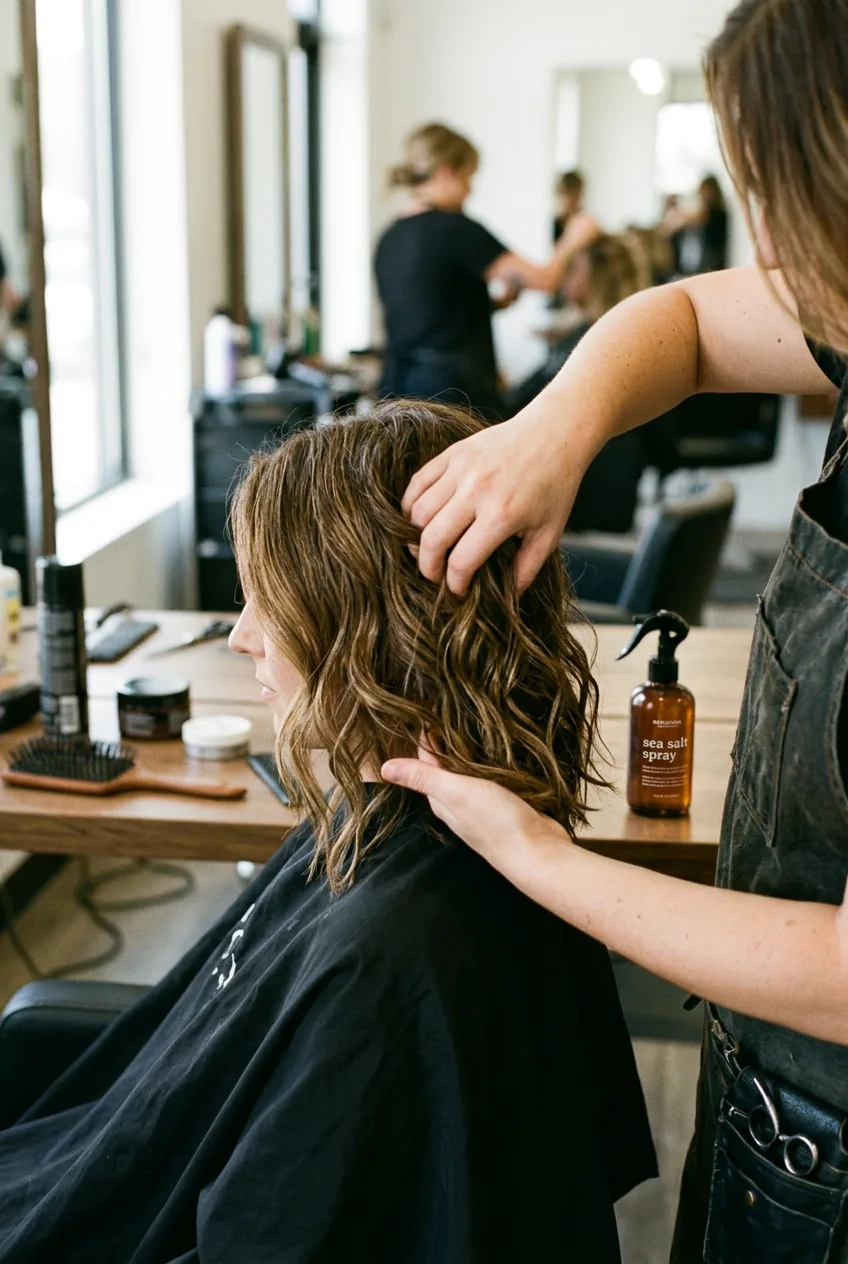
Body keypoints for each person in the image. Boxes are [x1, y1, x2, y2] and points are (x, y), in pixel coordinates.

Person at [383, 1, 848, 1259]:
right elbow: (687, 319)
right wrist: (558, 420)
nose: (759, 239)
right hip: (769, 1096)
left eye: (774, 194)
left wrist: (537, 858)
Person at [0, 402, 655, 1262]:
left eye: (269, 604)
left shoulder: (394, 950)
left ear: (371, 626)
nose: (239, 638)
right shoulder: (450, 820)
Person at [375, 123, 600, 419]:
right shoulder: (455, 229)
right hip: (449, 396)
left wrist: (492, 304)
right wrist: (574, 238)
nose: (471, 189)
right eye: (468, 177)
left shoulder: (389, 238)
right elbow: (545, 280)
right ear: (446, 171)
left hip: (397, 392)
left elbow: (427, 315)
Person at [508, 234, 646, 533]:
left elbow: (517, 402)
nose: (564, 277)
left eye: (573, 268)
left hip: (584, 501)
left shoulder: (587, 344)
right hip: (617, 496)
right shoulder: (626, 338)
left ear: (593, 276)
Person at [662, 175, 729, 275]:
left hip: (712, 267)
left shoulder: (717, 214)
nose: (703, 196)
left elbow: (699, 216)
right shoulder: (701, 218)